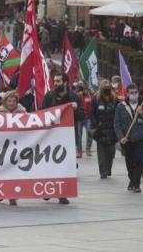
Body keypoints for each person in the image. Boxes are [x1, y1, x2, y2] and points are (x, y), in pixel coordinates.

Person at [42, 72, 83, 204]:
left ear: (65, 82)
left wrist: (76, 110)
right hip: (51, 136)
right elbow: (42, 114)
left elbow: (82, 116)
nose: (56, 83)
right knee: (48, 164)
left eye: (59, 81)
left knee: (64, 165)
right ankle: (48, 189)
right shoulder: (49, 96)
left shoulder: (74, 97)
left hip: (68, 137)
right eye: (55, 81)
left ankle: (62, 193)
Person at [114, 84, 143, 193]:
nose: (134, 95)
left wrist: (142, 114)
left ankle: (137, 184)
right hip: (127, 140)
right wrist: (121, 137)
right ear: (127, 93)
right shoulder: (121, 106)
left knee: (138, 160)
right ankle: (132, 180)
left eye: (135, 92)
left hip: (141, 138)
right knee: (129, 162)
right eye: (131, 93)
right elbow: (117, 124)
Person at [0, 90, 26, 206]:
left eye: (14, 101)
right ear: (5, 101)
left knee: (14, 171)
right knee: (2, 171)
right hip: (2, 147)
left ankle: (12, 195)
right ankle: (0, 192)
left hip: (17, 146)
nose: (12, 103)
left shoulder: (23, 112)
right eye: (9, 101)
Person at [90, 79, 118, 179]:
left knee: (111, 152)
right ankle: (103, 172)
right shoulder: (95, 99)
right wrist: (96, 124)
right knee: (101, 153)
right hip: (100, 131)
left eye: (108, 87)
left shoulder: (115, 99)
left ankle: (108, 169)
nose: (107, 89)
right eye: (105, 87)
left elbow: (118, 113)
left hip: (112, 131)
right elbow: (92, 113)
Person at [75, 81, 94, 157]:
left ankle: (88, 149)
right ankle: (79, 152)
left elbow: (94, 100)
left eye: (82, 84)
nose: (81, 86)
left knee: (90, 132)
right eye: (79, 84)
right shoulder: (76, 93)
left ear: (85, 85)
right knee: (78, 135)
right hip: (79, 118)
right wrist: (78, 95)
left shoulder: (90, 93)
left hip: (88, 117)